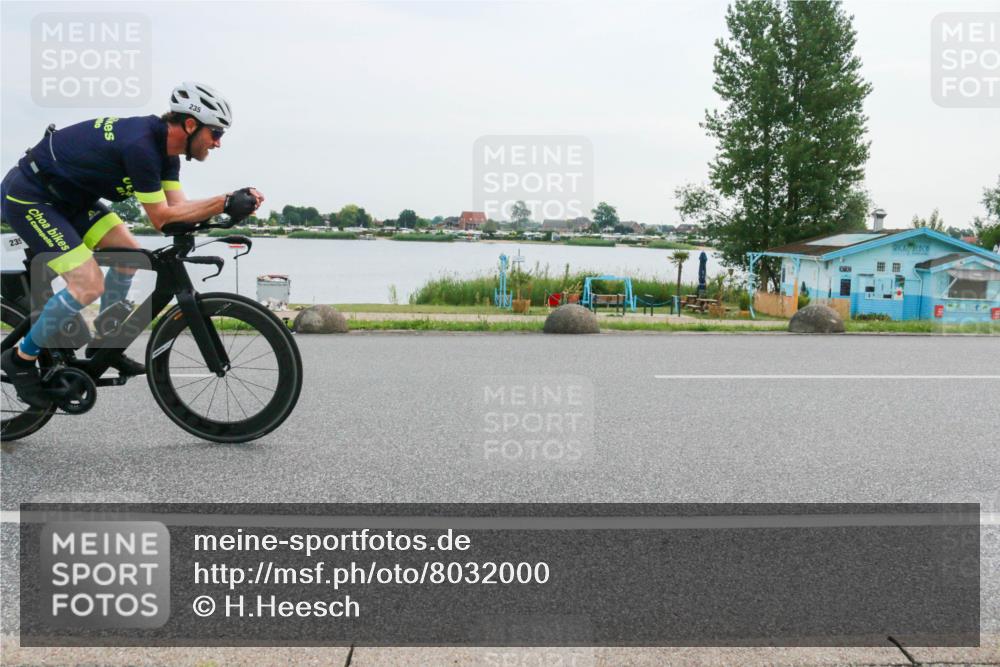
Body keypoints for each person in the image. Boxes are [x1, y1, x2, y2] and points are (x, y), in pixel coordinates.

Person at [1, 82, 263, 408]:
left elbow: (178, 211)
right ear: (190, 125)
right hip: (32, 197)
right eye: (216, 133)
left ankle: (104, 344)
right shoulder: (141, 146)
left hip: (72, 201)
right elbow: (161, 218)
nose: (218, 142)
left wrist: (229, 209)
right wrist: (223, 201)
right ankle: (20, 359)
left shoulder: (167, 155)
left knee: (131, 258)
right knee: (87, 284)